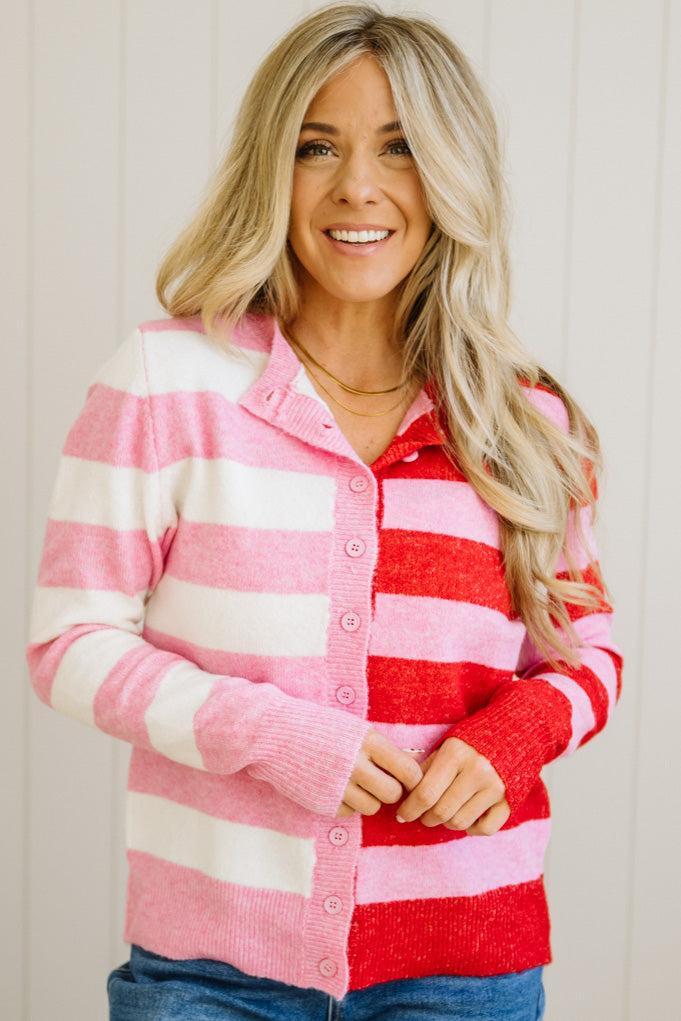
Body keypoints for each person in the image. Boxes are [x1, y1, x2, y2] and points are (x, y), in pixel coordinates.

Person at [25, 3, 624, 1019]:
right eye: (317, 147)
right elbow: (69, 643)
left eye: (401, 148)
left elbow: (588, 652)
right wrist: (275, 735)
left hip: (464, 965)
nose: (358, 186)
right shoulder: (168, 382)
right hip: (209, 970)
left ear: (451, 176)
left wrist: (516, 734)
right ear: (272, 168)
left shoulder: (524, 419)